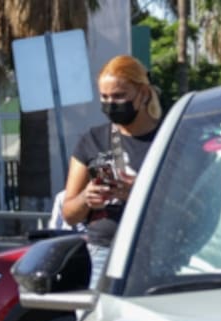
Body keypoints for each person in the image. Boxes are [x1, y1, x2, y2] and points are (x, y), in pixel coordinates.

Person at [60, 55, 162, 290]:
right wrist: (87, 198)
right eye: (104, 97)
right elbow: (69, 214)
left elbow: (190, 205)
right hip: (103, 251)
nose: (111, 104)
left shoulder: (167, 137)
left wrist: (137, 193)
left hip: (155, 250)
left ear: (143, 94)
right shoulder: (92, 140)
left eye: (119, 96)